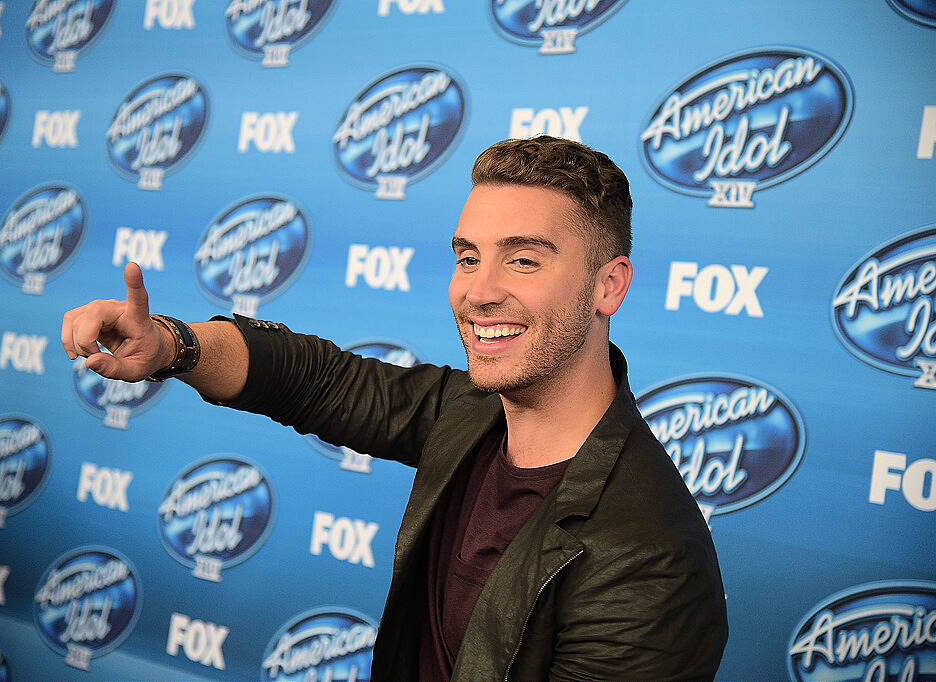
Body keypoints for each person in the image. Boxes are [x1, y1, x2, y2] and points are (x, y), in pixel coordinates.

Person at [62, 136, 728, 680]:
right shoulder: (467, 412)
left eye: (523, 261)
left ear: (607, 286)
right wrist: (172, 345)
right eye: (468, 259)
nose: (480, 292)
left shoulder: (650, 559)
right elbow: (311, 378)